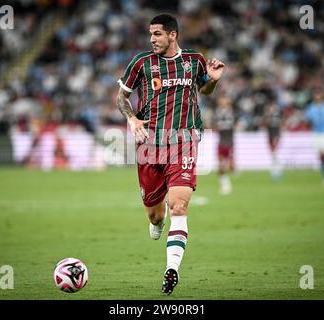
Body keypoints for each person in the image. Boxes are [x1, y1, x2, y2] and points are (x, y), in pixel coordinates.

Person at [116, 13, 224, 294]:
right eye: (150, 34)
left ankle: (171, 270)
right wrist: (132, 119)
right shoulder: (141, 63)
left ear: (173, 35)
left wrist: (212, 80)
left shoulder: (194, 60)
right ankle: (157, 218)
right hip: (149, 144)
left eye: (157, 34)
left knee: (179, 204)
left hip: (184, 140)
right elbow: (121, 97)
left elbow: (205, 89)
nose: (152, 39)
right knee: (154, 214)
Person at [213, 95, 235, 195]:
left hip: (229, 141)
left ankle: (226, 184)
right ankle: (225, 185)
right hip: (221, 141)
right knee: (221, 164)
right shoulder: (218, 112)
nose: (223, 103)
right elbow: (216, 125)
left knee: (230, 165)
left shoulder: (232, 112)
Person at [263, 100, 283, 181]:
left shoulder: (278, 113)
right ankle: (275, 169)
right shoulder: (268, 114)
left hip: (276, 133)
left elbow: (281, 122)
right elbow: (266, 123)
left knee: (275, 151)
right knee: (273, 152)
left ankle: (276, 170)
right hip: (270, 133)